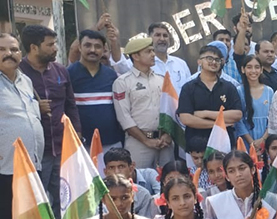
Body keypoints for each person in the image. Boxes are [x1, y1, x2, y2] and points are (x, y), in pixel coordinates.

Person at [0, 32, 60, 219]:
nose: (10, 53)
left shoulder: (24, 81)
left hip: (31, 165)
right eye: (3, 49)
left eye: (14, 48)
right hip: (4, 168)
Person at [20, 25, 82, 219]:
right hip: (34, 153)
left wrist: (76, 136)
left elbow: (70, 105)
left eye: (55, 44)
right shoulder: (18, 74)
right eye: (50, 44)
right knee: (34, 207)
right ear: (34, 47)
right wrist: (36, 107)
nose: (55, 48)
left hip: (63, 148)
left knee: (64, 203)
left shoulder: (60, 71)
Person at [113, 38, 172, 171]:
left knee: (169, 182)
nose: (153, 54)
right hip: (138, 143)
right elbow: (124, 117)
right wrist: (146, 141)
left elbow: (170, 109)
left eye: (152, 51)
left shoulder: (161, 79)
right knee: (138, 181)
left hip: (164, 141)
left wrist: (168, 134)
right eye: (148, 51)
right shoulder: (123, 82)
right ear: (135, 56)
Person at [178, 45, 243, 148]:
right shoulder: (188, 87)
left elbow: (237, 115)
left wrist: (205, 113)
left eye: (217, 60)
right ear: (199, 61)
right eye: (209, 59)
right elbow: (186, 119)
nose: (213, 62)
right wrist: (219, 125)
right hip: (196, 144)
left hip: (224, 142)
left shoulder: (229, 87)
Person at [68, 30, 124, 150]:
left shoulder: (112, 75)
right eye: (87, 45)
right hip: (80, 144)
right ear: (79, 47)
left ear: (103, 49)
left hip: (111, 142)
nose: (93, 50)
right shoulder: (68, 74)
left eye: (97, 46)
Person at [203, 151, 277, 219]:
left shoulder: (272, 200)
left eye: (242, 168)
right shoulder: (216, 202)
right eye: (231, 171)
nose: (238, 174)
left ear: (253, 169)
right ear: (227, 176)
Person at [111, 23, 192, 93]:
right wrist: (114, 41)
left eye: (165, 36)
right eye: (157, 35)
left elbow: (190, 88)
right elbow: (120, 66)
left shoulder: (181, 64)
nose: (162, 39)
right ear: (149, 38)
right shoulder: (140, 62)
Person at [103, 148, 158, 218]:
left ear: (131, 169)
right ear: (105, 172)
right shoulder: (97, 194)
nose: (116, 172)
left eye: (121, 167)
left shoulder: (143, 195)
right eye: (111, 167)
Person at [236, 55, 273, 150]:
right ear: (243, 69)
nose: (253, 71)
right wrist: (251, 142)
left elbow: (273, 118)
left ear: (261, 70)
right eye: (249, 67)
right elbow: (238, 121)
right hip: (246, 138)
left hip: (266, 138)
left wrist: (263, 139)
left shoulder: (269, 91)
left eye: (257, 67)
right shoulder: (239, 91)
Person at [227, 12, 256, 85]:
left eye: (249, 26)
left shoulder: (257, 47)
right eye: (242, 24)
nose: (246, 28)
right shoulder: (228, 47)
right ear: (235, 28)